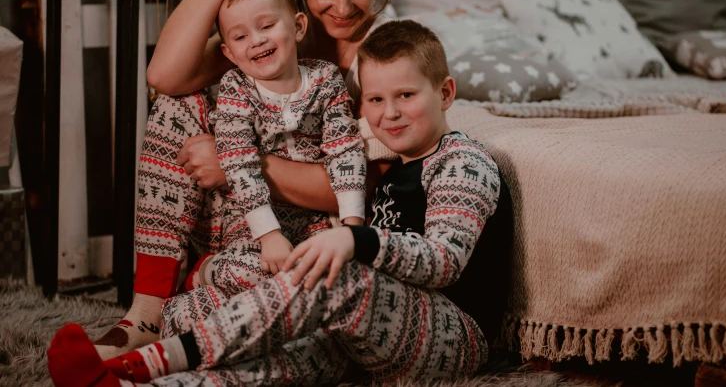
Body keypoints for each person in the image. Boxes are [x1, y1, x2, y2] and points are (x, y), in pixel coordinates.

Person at [47, 20, 514, 386]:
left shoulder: (461, 160)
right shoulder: (391, 169)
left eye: (406, 96)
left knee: (337, 277)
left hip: (453, 336)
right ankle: (124, 385)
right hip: (374, 327)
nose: (389, 113)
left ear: (446, 93)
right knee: (255, 349)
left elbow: (445, 262)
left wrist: (357, 240)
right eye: (376, 99)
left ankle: (143, 363)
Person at [89, 0, 395, 360]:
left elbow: (372, 186)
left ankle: (197, 298)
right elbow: (164, 77)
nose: (343, 7)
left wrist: (237, 161)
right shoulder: (267, 32)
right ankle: (148, 309)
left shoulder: (384, 51)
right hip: (233, 217)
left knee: (305, 282)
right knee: (179, 103)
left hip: (307, 229)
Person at [205, 0, 366, 285]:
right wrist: (269, 235)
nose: (256, 40)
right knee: (254, 272)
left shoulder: (326, 78)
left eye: (267, 26)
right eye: (240, 37)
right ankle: (205, 271)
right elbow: (238, 163)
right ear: (229, 53)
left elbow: (346, 149)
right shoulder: (236, 88)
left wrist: (352, 228)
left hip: (314, 217)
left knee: (333, 275)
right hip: (252, 221)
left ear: (298, 27)